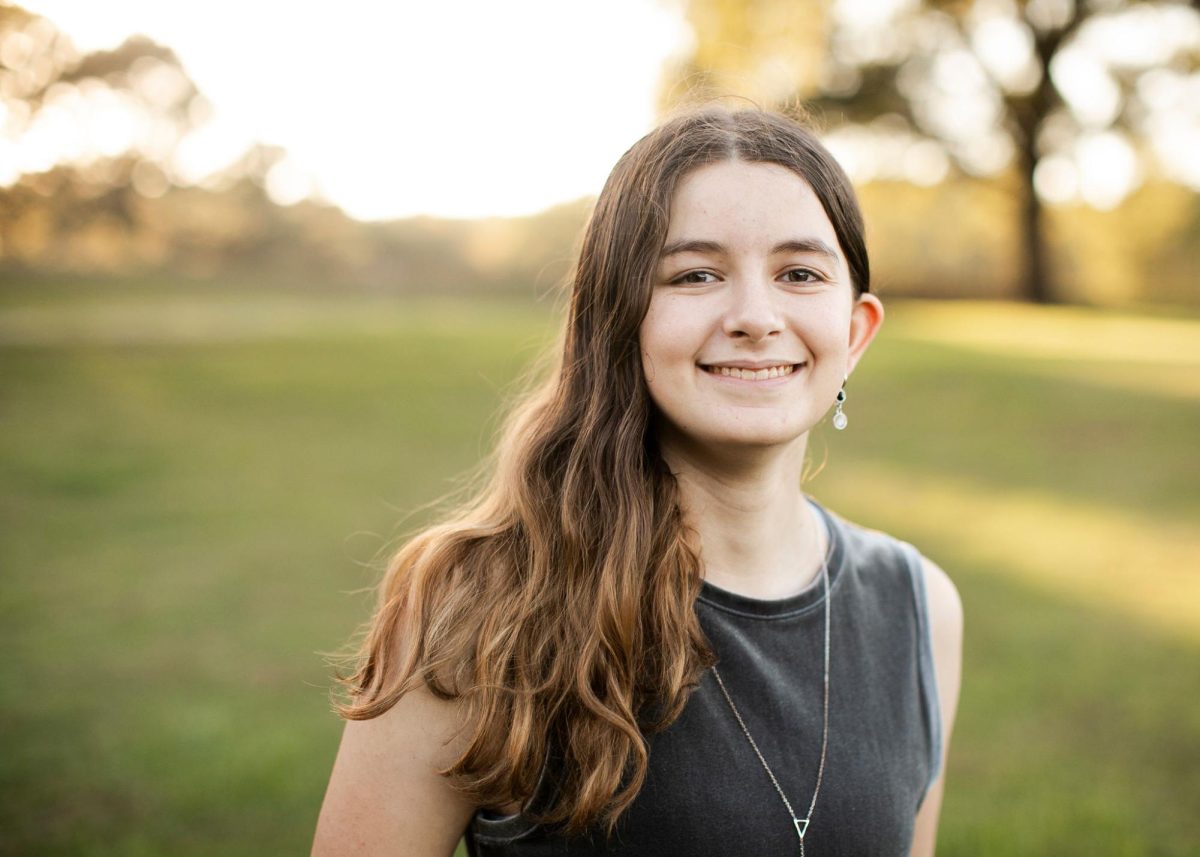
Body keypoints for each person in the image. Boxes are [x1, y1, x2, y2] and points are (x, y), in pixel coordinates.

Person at [311, 107, 963, 857]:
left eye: (799, 273)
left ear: (854, 334)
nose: (756, 315)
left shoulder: (920, 608)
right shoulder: (476, 605)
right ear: (619, 320)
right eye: (695, 274)